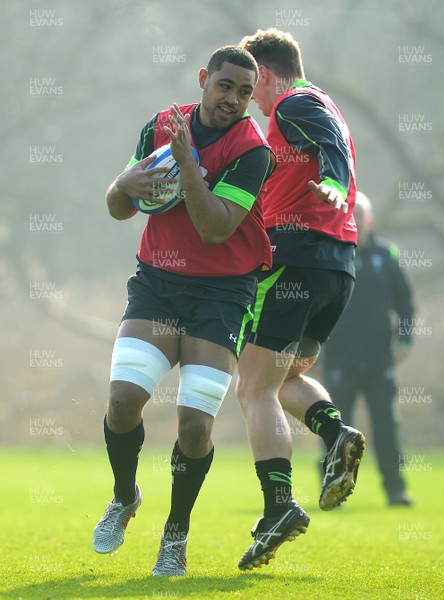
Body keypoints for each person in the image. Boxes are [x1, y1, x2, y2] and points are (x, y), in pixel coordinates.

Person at [92, 45, 277, 577]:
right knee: (124, 400)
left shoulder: (253, 150)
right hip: (158, 283)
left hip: (223, 293)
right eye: (225, 86)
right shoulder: (162, 124)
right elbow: (120, 204)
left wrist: (188, 162)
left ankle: (175, 533)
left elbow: (215, 227)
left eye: (246, 92)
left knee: (195, 427)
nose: (235, 100)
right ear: (204, 80)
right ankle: (125, 498)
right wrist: (121, 184)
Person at [235, 28, 366, 571]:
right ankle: (336, 433)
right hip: (336, 268)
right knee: (284, 379)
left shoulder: (293, 102)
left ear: (265, 74)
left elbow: (329, 147)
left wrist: (336, 182)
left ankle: (279, 507)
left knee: (252, 387)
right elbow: (329, 141)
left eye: (250, 87)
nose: (249, 98)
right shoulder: (321, 101)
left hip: (295, 261)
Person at [322, 191, 415, 506]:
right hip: (339, 359)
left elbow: (406, 305)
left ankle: (396, 489)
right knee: (336, 429)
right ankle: (334, 488)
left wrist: (404, 341)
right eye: (352, 213)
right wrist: (316, 353)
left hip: (379, 361)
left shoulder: (386, 256)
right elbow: (317, 306)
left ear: (370, 219)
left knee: (386, 427)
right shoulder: (333, 253)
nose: (357, 219)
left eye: (362, 214)